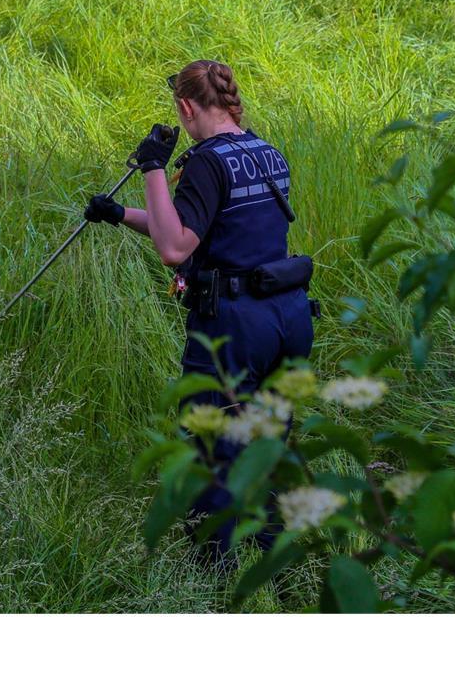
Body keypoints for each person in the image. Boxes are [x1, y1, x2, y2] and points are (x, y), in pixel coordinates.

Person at [84, 60, 314, 564]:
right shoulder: (266, 153)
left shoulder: (207, 162)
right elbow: (198, 227)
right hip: (289, 317)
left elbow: (174, 247)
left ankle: (211, 578)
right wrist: (121, 215)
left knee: (211, 446)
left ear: (186, 107)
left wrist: (153, 170)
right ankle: (276, 560)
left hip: (236, 326)